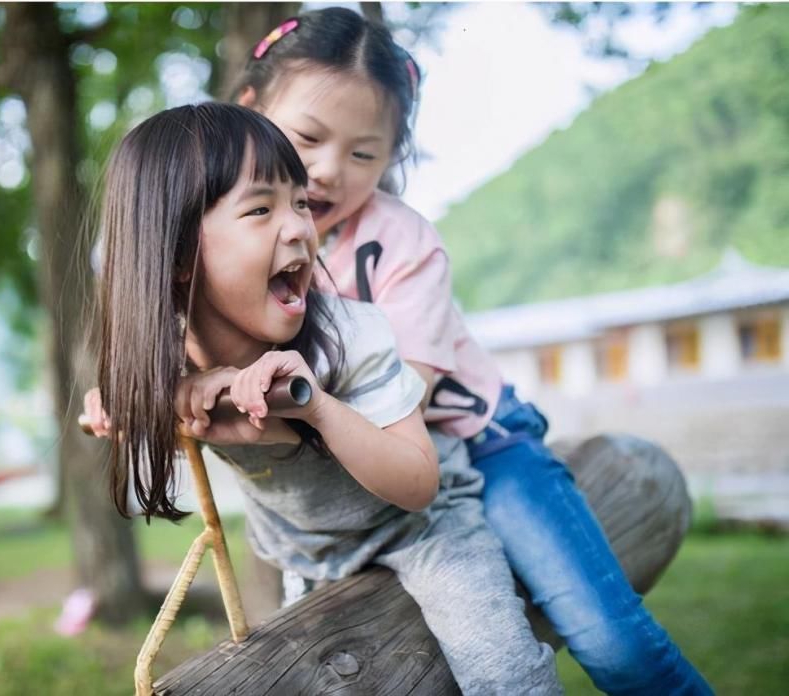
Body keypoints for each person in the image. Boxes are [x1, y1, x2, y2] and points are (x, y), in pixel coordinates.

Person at [228, 7, 712, 695]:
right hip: (353, 487)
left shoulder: (402, 244)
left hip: (476, 443)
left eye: (364, 153)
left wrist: (287, 396)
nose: (329, 170)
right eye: (307, 136)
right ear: (250, 108)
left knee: (614, 644)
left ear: (392, 158)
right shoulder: (236, 236)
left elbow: (407, 395)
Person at [85, 101, 561, 694]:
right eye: (261, 208)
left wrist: (316, 406)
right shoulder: (174, 359)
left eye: (301, 203)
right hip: (305, 559)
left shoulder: (350, 336)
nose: (300, 228)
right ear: (179, 255)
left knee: (505, 672)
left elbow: (418, 485)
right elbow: (142, 412)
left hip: (423, 532)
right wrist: (130, 404)